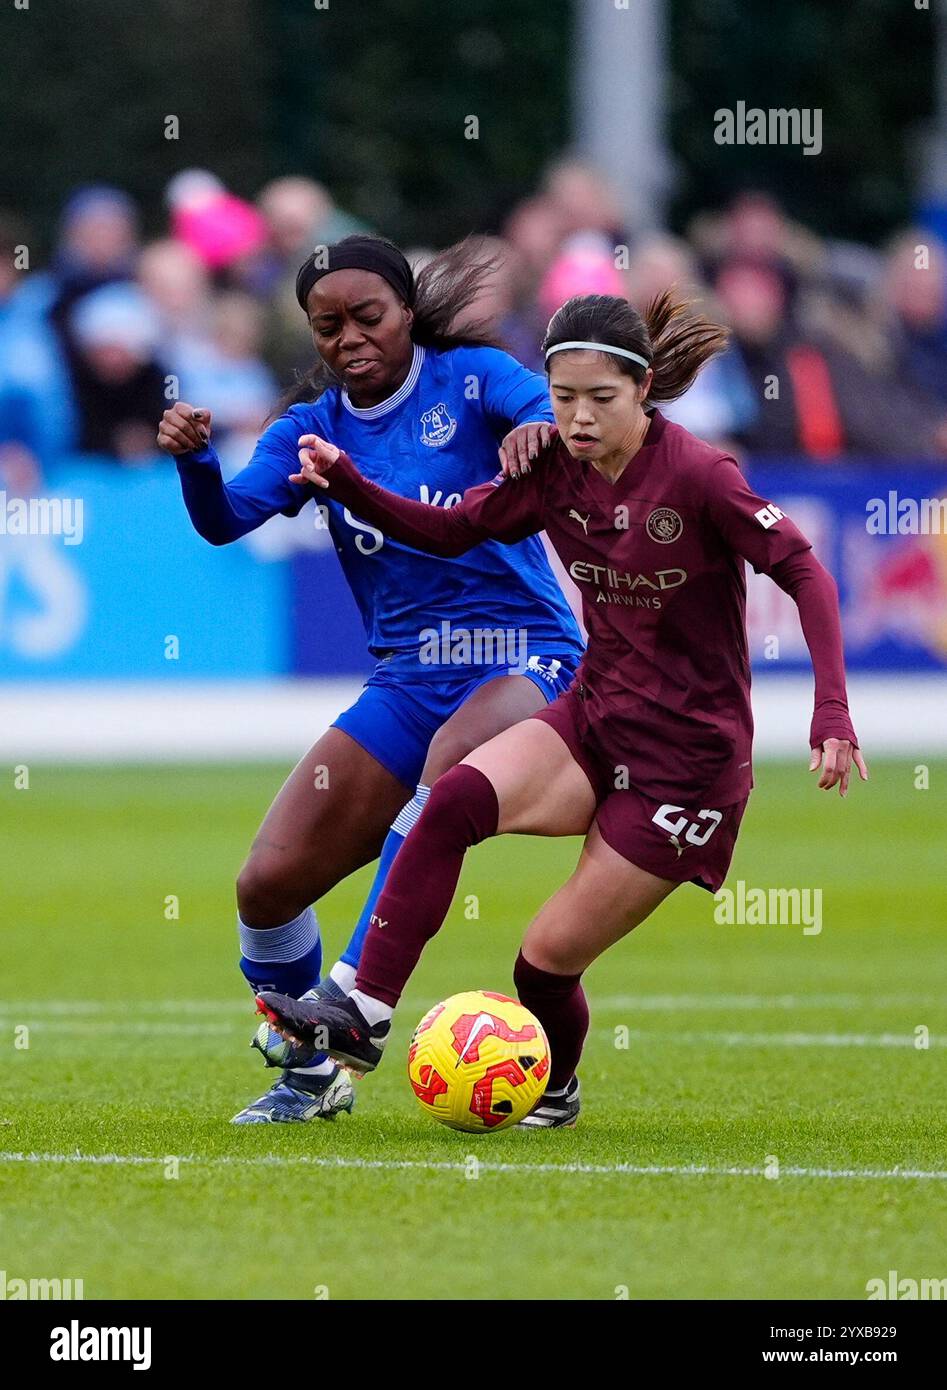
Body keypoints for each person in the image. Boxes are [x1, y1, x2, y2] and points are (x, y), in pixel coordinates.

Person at [256, 288, 869, 1128]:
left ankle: (556, 1085)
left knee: (541, 966)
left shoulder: (698, 476)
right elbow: (446, 530)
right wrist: (351, 483)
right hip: (593, 717)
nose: (578, 418)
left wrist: (830, 710)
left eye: (599, 399)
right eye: (562, 397)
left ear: (643, 390)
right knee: (453, 798)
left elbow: (804, 571)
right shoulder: (551, 471)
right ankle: (361, 1010)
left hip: (684, 768)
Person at [157, 234, 584, 1123]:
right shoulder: (310, 429)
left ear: (404, 312)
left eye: (367, 316)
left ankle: (357, 999)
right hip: (407, 676)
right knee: (265, 884)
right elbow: (226, 522)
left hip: (522, 653)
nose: (348, 337)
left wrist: (540, 423)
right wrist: (196, 461)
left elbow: (540, 401)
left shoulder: (471, 375)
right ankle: (312, 1078)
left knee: (453, 762)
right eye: (326, 325)